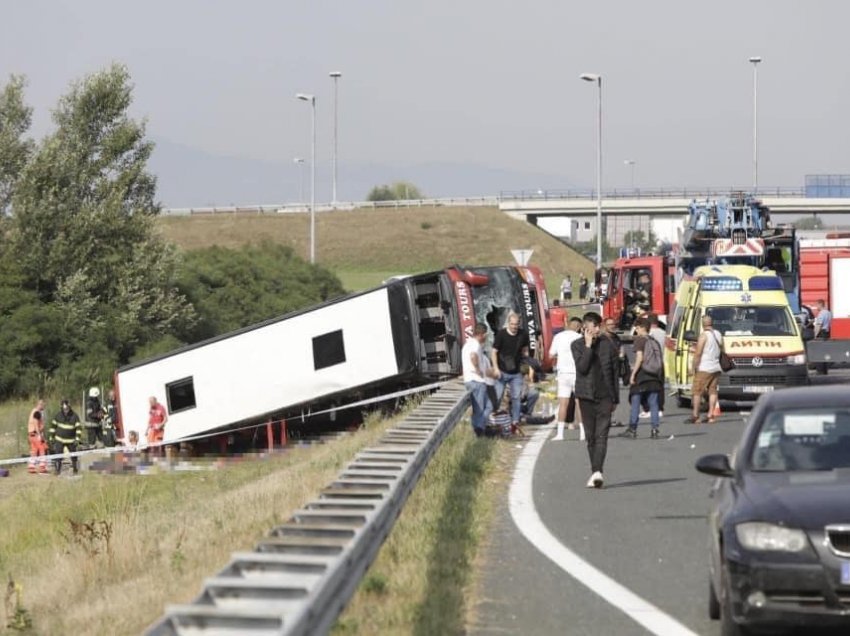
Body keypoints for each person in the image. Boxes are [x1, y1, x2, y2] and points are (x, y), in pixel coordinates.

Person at [571, 311, 619, 488]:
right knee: (590, 437)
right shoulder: (576, 345)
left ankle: (598, 471)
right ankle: (595, 471)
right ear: (585, 327)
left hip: (605, 396)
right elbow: (582, 368)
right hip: (585, 396)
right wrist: (588, 346)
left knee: (602, 435)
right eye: (594, 326)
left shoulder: (608, 344)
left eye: (599, 326)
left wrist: (615, 399)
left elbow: (614, 372)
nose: (598, 329)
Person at [620, 317, 663, 439]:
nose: (636, 331)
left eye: (637, 328)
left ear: (642, 328)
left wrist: (633, 374)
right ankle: (655, 429)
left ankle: (632, 429)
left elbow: (640, 358)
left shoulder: (640, 340)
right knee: (654, 404)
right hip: (653, 376)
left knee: (635, 402)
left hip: (642, 375)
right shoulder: (654, 341)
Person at [491, 311, 530, 432]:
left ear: (519, 324)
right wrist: (496, 368)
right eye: (512, 324)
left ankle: (515, 421)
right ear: (508, 323)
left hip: (516, 372)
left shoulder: (523, 334)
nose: (514, 327)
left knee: (516, 397)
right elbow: (494, 352)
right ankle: (492, 419)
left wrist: (526, 362)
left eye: (516, 324)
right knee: (497, 396)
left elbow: (525, 349)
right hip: (502, 371)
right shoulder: (501, 334)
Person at [549, 317, 583, 441]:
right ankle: (583, 433)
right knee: (579, 402)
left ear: (568, 324)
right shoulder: (580, 338)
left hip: (563, 373)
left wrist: (561, 354)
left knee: (563, 404)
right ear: (579, 327)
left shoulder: (558, 337)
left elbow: (551, 354)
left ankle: (560, 434)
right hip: (577, 373)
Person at [687, 315, 722, 424]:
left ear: (703, 324)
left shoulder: (703, 336)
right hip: (716, 367)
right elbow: (721, 348)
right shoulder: (718, 334)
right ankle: (711, 415)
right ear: (712, 323)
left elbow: (698, 353)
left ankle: (695, 415)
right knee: (713, 391)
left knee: (697, 392)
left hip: (704, 367)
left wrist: (693, 367)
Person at [462, 323, 494, 437]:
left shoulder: (467, 344)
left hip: (468, 380)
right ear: (481, 334)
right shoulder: (475, 345)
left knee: (483, 407)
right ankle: (479, 430)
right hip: (477, 381)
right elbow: (473, 356)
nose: (486, 337)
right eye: (485, 334)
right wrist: (477, 369)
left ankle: (480, 427)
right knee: (481, 408)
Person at [640, 313, 666, 419]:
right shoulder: (663, 333)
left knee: (648, 387)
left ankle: (649, 408)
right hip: (661, 362)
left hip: (650, 364)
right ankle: (660, 408)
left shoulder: (649, 335)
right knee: (660, 387)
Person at [48, 399, 82, 475]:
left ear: (69, 407)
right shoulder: (58, 415)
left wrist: (77, 439)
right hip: (59, 440)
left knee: (73, 456)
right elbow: (53, 427)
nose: (65, 411)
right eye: (64, 409)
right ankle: (57, 470)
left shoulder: (74, 416)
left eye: (67, 409)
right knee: (58, 455)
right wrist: (51, 438)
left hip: (71, 441)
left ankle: (75, 469)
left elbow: (79, 428)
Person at [27, 399, 48, 474]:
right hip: (35, 434)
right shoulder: (37, 412)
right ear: (40, 405)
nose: (44, 407)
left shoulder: (33, 411)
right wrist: (39, 435)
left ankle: (31, 467)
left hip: (31, 435)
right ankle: (43, 467)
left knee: (34, 451)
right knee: (42, 448)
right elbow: (36, 424)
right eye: (43, 405)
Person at [813, 299, 832, 375]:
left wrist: (814, 335)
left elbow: (819, 325)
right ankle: (825, 370)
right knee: (824, 352)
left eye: (817, 305)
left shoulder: (821, 313)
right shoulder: (829, 313)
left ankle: (820, 371)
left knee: (818, 352)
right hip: (827, 333)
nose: (816, 307)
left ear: (820, 304)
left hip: (821, 333)